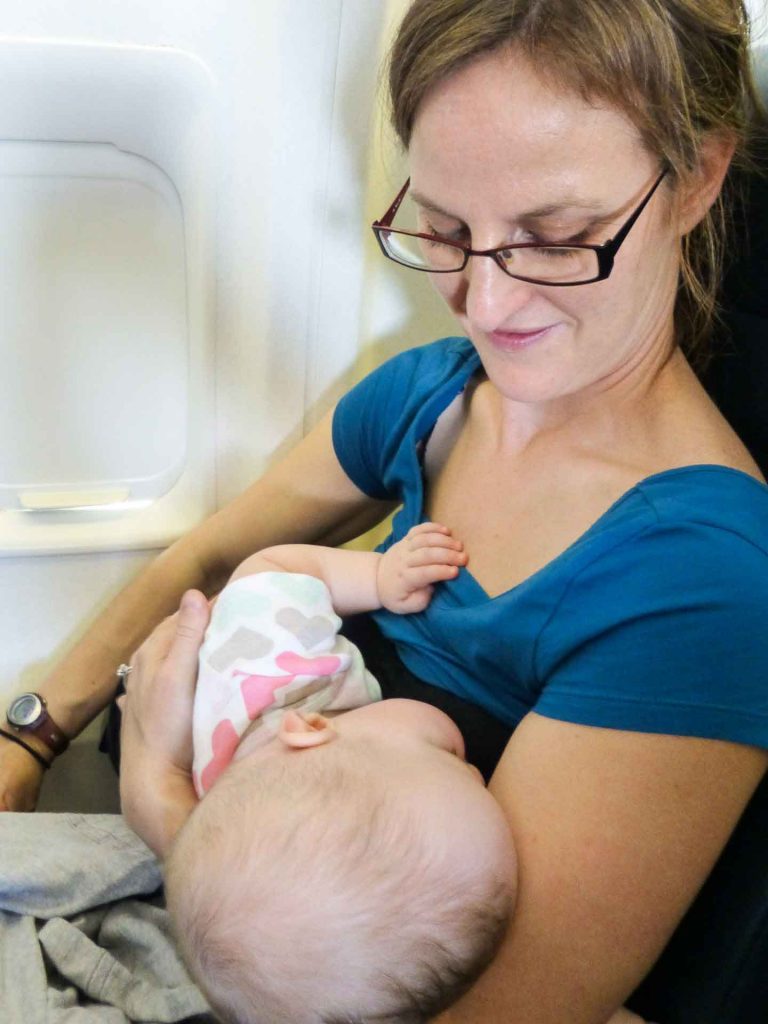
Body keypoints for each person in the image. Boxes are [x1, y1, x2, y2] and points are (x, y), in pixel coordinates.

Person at [3, 1, 768, 1021]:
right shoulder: (430, 397)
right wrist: (30, 739)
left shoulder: (701, 585)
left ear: (699, 179)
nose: (484, 308)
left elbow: (492, 1012)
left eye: (557, 236)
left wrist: (165, 805)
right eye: (446, 229)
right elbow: (208, 556)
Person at [155, 536, 645, 1024]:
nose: (475, 768)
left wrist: (376, 579)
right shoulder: (248, 828)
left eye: (449, 761)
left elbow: (272, 566)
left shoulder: (275, 668)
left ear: (312, 729)